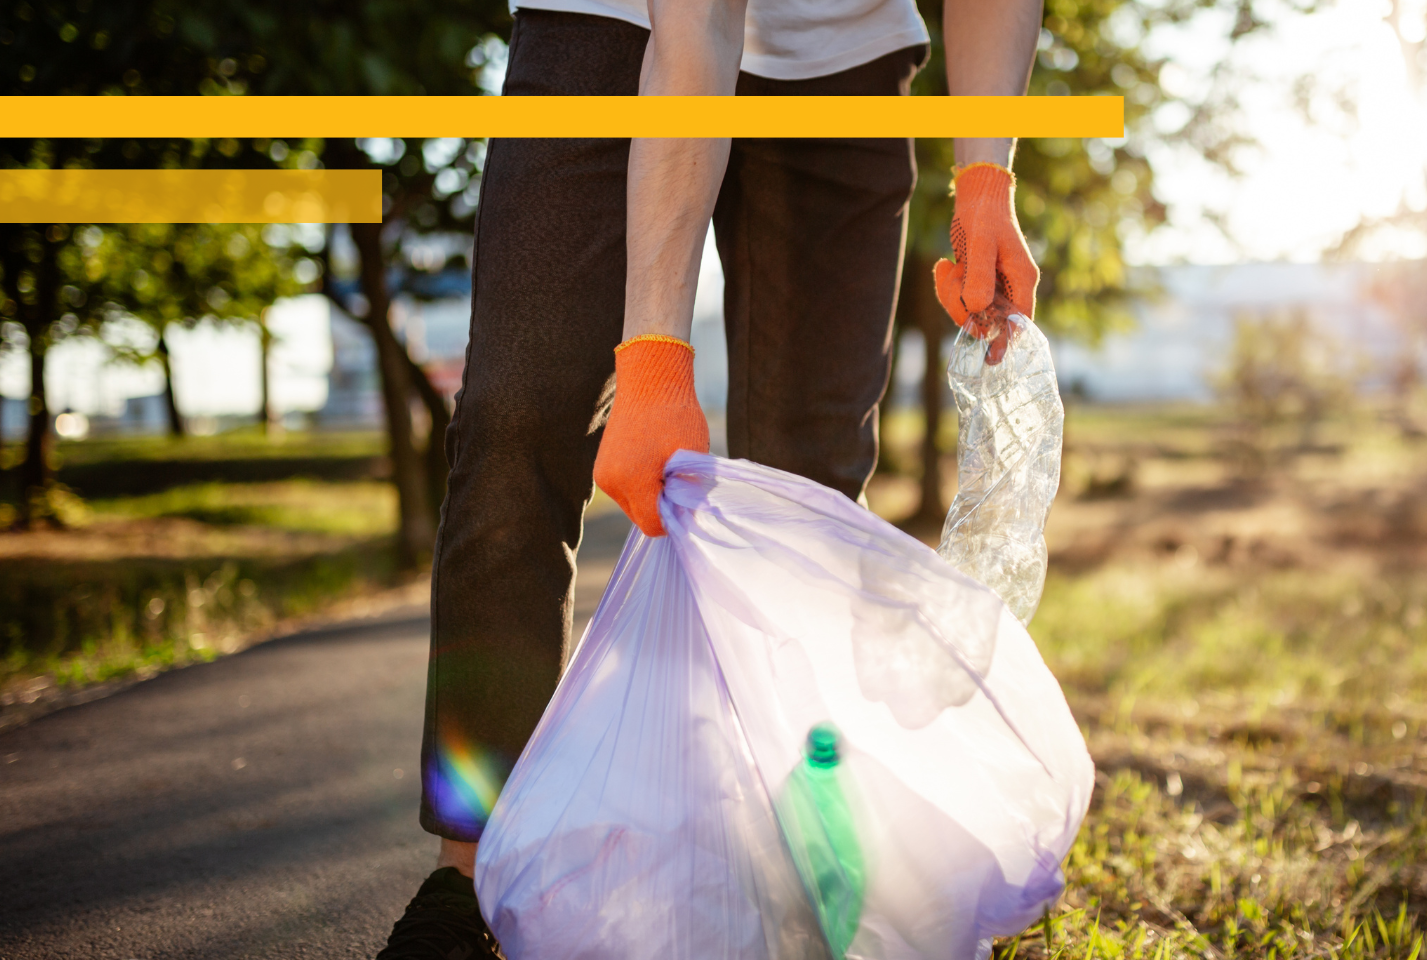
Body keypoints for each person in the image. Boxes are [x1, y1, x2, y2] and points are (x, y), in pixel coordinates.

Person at [376, 0, 1043, 955]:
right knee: (517, 425)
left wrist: (986, 173)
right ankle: (468, 875)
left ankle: (792, 865)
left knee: (807, 484)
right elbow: (698, 28)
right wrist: (653, 360)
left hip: (843, 66)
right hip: (607, 26)